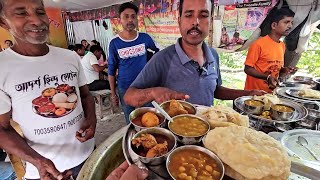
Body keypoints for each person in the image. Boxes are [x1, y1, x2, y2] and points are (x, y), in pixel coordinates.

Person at [0, 0, 96, 179]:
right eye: (21, 13)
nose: (36, 20)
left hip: (88, 154)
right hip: (44, 171)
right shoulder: (2, 67)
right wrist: (37, 161)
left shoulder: (69, 57)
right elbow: (2, 128)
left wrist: (91, 119)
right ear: (3, 22)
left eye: (40, 12)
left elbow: (85, 95)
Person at [124, 0, 265, 108]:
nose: (195, 22)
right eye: (189, 15)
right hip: (175, 141)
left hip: (206, 137)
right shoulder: (162, 59)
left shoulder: (213, 56)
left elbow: (214, 90)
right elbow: (129, 97)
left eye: (203, 16)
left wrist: (248, 94)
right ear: (179, 21)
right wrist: (153, 92)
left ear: (210, 22)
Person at [108, 2, 159, 124]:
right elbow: (111, 69)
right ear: (120, 19)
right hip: (125, 88)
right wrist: (113, 93)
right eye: (126, 16)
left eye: (133, 16)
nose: (130, 20)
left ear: (137, 19)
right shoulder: (114, 43)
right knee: (130, 120)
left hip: (145, 86)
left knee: (150, 118)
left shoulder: (145, 38)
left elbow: (158, 56)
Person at [244, 8, 296, 93]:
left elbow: (274, 66)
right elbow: (248, 69)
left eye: (291, 23)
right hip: (254, 93)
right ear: (274, 25)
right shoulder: (258, 44)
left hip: (270, 93)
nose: (290, 26)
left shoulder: (282, 45)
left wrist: (284, 70)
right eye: (286, 22)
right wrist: (267, 77)